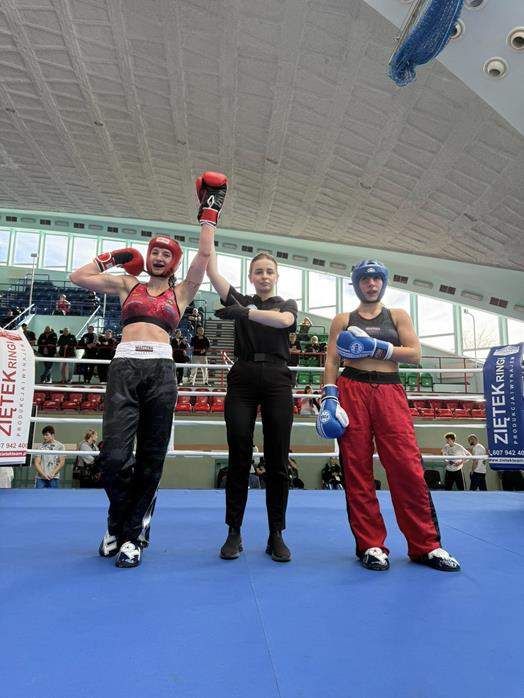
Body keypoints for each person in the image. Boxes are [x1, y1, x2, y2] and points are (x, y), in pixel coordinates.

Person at [69, 171, 227, 568]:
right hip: (124, 367)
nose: (158, 257)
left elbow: (204, 258)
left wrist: (209, 214)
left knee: (151, 459)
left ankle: (133, 537)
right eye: (154, 251)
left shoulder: (182, 291)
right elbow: (78, 277)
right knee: (114, 457)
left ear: (173, 262)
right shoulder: (127, 284)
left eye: (166, 254)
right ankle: (118, 523)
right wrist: (113, 257)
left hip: (161, 371)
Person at [317, 259, 461, 572]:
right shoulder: (343, 319)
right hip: (352, 388)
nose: (371, 284)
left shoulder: (397, 315)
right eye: (365, 279)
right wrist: (329, 397)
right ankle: (370, 545)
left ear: (383, 283)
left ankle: (426, 545)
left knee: (407, 467)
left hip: (389, 390)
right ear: (357, 283)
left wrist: (376, 347)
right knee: (356, 469)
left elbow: (415, 353)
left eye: (376, 279)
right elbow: (331, 360)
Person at [207, 250, 298, 563]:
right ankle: (234, 531)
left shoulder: (286, 305)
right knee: (238, 456)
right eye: (258, 271)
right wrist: (209, 229)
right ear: (251, 276)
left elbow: (284, 322)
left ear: (276, 276)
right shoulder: (241, 299)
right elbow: (213, 274)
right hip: (243, 376)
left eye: (269, 271)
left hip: (277, 377)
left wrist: (245, 313)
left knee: (277, 460)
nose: (264, 276)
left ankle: (276, 534)